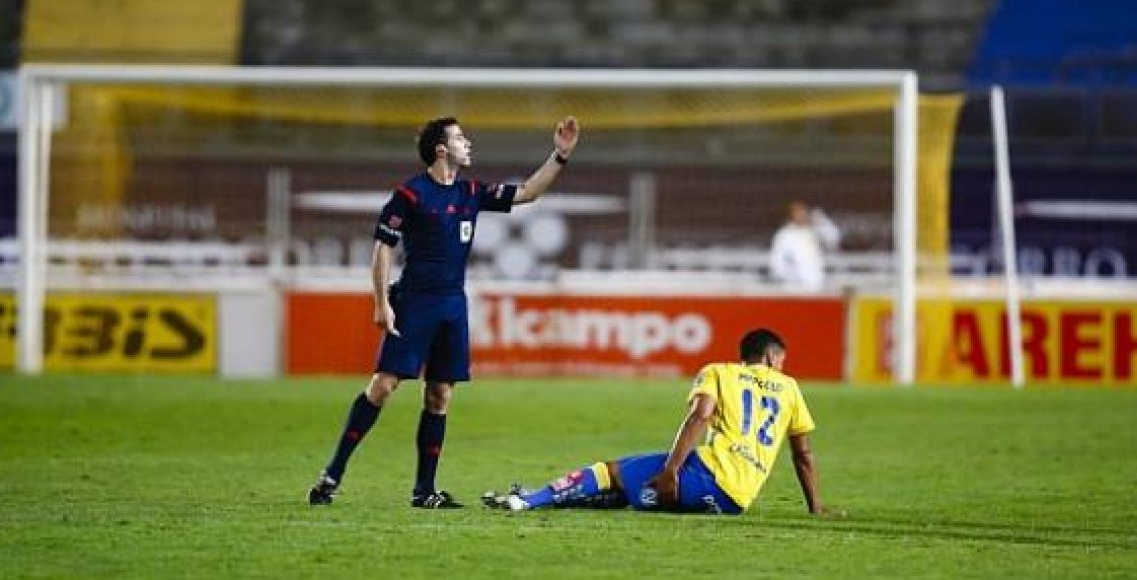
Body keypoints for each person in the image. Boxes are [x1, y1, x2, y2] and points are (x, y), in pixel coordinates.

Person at [308, 115, 581, 509]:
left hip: (453, 304)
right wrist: (381, 301)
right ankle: (332, 474)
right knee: (383, 386)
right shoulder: (411, 194)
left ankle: (424, 491)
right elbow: (383, 246)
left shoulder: (471, 191)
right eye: (460, 138)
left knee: (439, 395)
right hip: (415, 302)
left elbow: (528, 193)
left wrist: (560, 155)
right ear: (441, 149)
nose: (468, 143)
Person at [482, 328, 834, 516]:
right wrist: (815, 506)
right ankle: (546, 497)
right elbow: (802, 454)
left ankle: (529, 501)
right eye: (782, 359)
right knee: (627, 491)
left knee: (610, 472)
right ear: (772, 357)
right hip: (736, 500)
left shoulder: (720, 372)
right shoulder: (789, 388)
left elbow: (700, 415)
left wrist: (672, 470)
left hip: (708, 477)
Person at [768, 200, 840, 291]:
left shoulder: (816, 231)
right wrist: (791, 277)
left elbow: (834, 238)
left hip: (816, 284)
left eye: (803, 211)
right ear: (791, 214)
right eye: (797, 212)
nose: (801, 214)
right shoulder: (784, 235)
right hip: (793, 287)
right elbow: (776, 262)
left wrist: (821, 220)